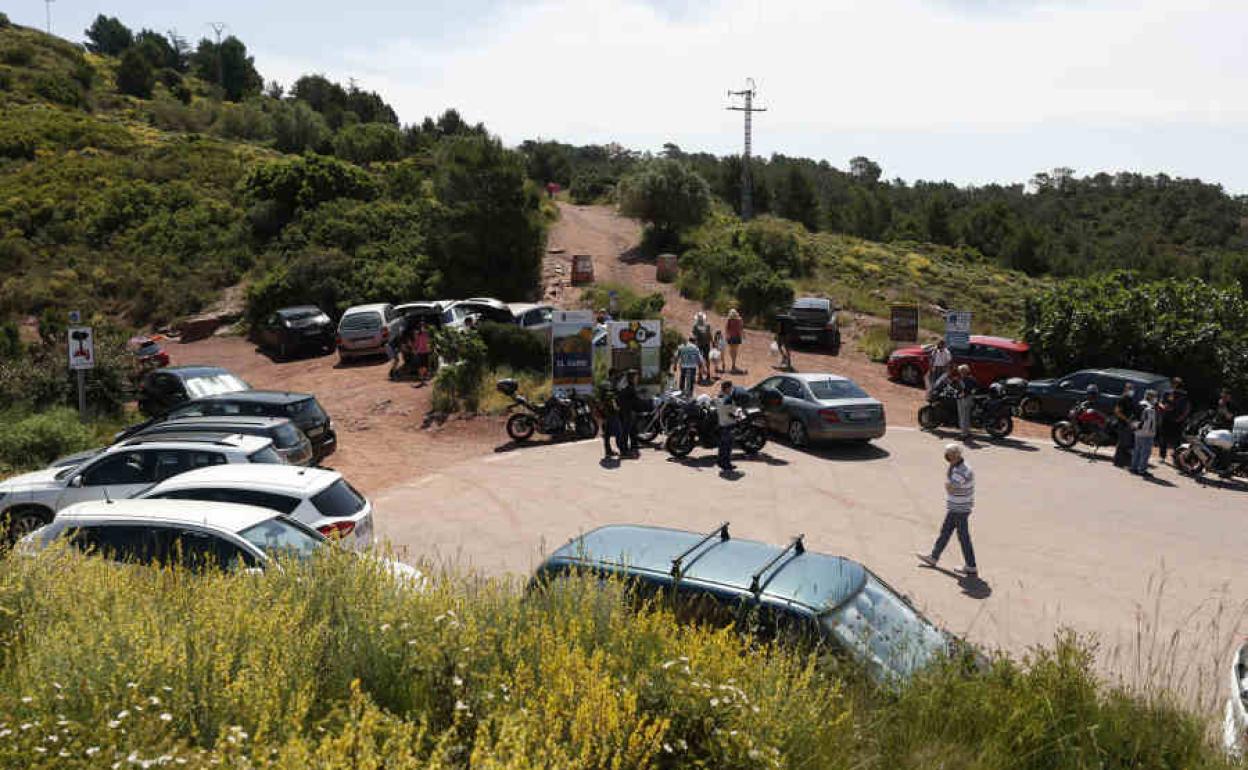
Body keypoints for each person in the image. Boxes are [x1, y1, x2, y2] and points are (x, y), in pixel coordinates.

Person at [917, 443, 977, 577]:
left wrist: (948, 483)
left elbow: (950, 488)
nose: (946, 458)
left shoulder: (960, 471)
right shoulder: (961, 466)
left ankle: (971, 566)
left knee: (962, 537)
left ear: (954, 456)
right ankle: (934, 556)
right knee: (946, 532)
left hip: (959, 509)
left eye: (948, 455)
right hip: (959, 507)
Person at [1157, 378, 1189, 463]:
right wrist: (1163, 407)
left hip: (1178, 420)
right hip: (1166, 418)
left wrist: (1182, 417)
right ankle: (1162, 456)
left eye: (1177, 384)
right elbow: (1160, 402)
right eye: (1175, 383)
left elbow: (1187, 408)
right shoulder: (1167, 393)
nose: (1175, 385)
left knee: (1177, 440)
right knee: (1163, 438)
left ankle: (1176, 458)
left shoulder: (1184, 395)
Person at [1131, 389, 1159, 477]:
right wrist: (1151, 433)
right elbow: (1149, 423)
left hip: (1137, 430)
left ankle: (1134, 467)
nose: (1156, 399)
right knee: (1145, 452)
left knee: (1137, 450)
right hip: (1146, 433)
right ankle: (1142, 470)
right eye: (1155, 397)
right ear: (1150, 397)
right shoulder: (1150, 408)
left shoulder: (1139, 404)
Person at [715, 380, 740, 473]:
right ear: (727, 388)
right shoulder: (728, 399)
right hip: (729, 424)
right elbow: (730, 412)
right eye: (730, 387)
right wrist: (737, 417)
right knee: (728, 446)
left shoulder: (719, 396)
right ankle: (726, 464)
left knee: (722, 446)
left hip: (721, 423)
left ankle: (720, 462)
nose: (732, 389)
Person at [597, 368, 622, 459]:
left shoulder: (603, 383)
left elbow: (599, 398)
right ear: (613, 374)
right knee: (619, 430)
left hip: (604, 411)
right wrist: (616, 406)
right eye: (616, 375)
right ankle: (622, 449)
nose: (617, 377)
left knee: (607, 433)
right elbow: (611, 397)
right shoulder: (610, 384)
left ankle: (608, 451)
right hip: (611, 410)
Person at [617, 369, 641, 458]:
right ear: (632, 378)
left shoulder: (628, 386)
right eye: (636, 377)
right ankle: (624, 450)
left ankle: (633, 447)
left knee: (632, 431)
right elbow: (634, 400)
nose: (637, 378)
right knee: (626, 432)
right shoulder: (629, 387)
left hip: (628, 412)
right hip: (627, 412)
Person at [1112, 383, 1137, 468]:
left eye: (1132, 389)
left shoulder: (1130, 399)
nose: (1131, 390)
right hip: (1122, 423)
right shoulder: (1122, 399)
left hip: (1128, 424)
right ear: (1126, 389)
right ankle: (1117, 461)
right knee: (1122, 442)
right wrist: (1126, 419)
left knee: (1126, 442)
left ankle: (1124, 461)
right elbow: (1117, 411)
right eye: (1130, 389)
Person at [692, 312, 712, 383]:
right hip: (707, 344)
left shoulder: (695, 326)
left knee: (699, 359)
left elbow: (694, 336)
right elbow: (710, 335)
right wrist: (712, 342)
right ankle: (708, 374)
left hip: (699, 344)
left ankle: (700, 375)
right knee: (707, 359)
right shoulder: (708, 325)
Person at [725, 309, 744, 374]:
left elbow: (726, 329)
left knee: (731, 350)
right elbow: (741, 329)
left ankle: (732, 363)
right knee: (735, 350)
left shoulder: (729, 320)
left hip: (730, 337)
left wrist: (727, 336)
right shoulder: (739, 320)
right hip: (737, 337)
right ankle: (733, 363)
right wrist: (742, 336)